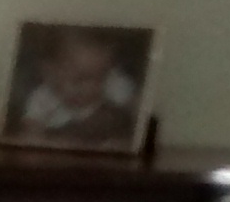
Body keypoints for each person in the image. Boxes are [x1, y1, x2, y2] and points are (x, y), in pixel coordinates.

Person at [11, 28, 141, 148]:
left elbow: (139, 112)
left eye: (102, 77)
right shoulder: (43, 98)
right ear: (50, 74)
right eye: (80, 79)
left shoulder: (112, 82)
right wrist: (51, 143)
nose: (93, 86)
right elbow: (29, 135)